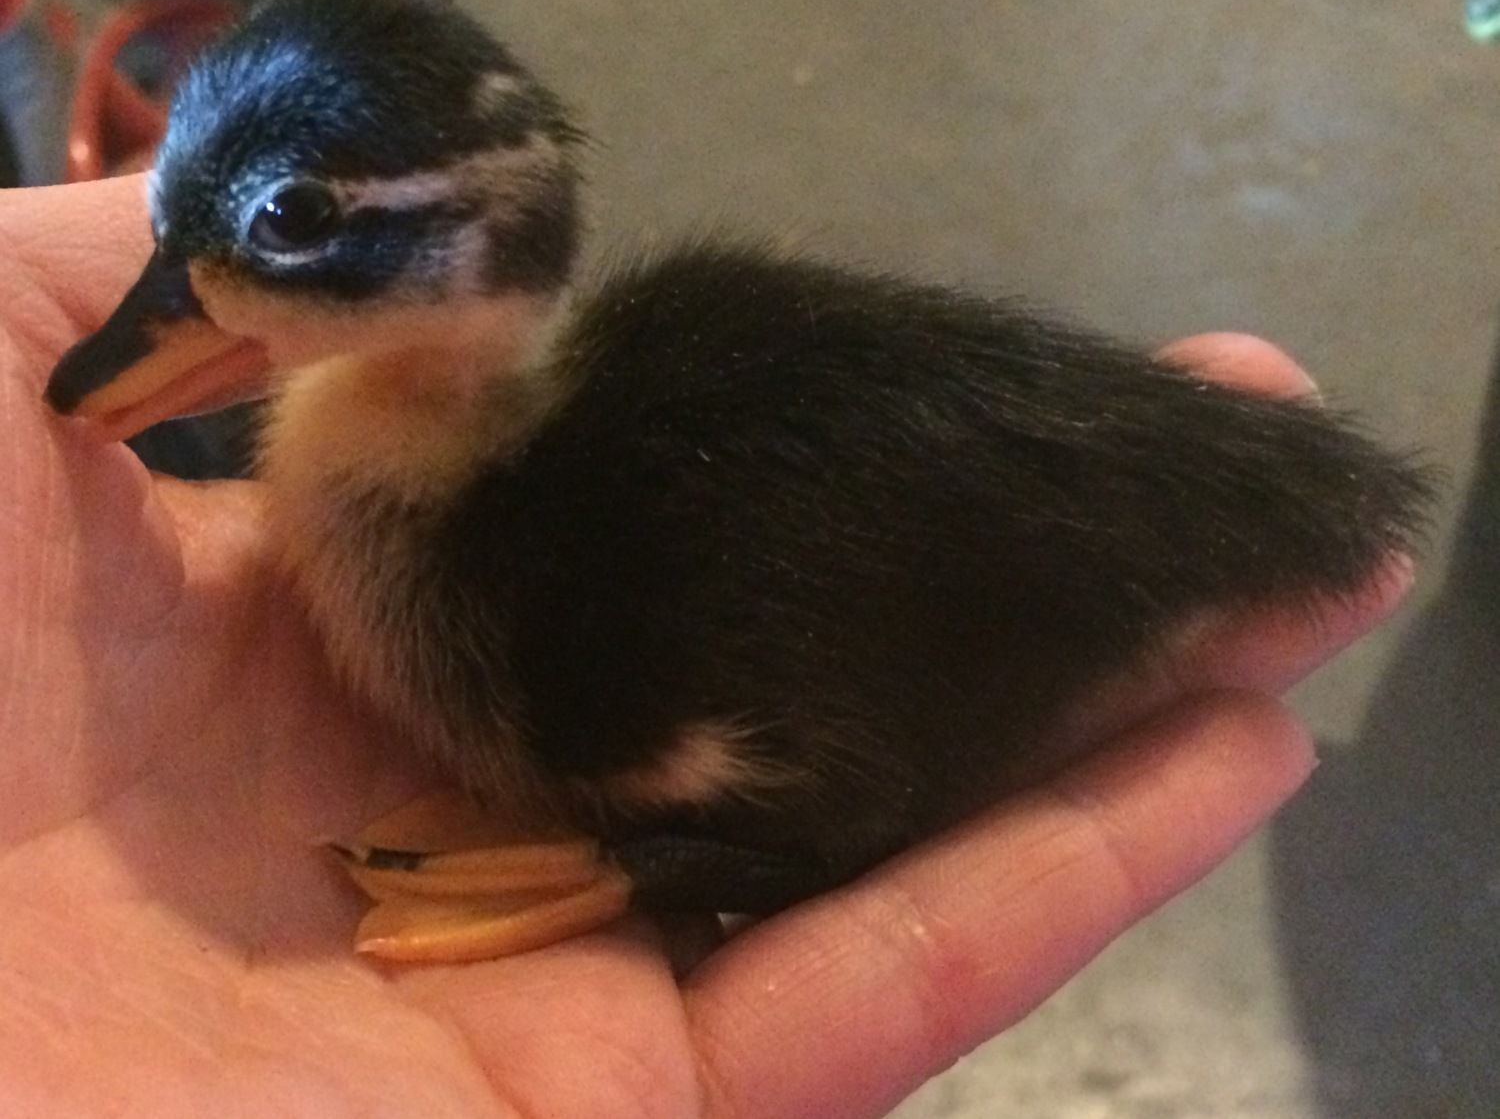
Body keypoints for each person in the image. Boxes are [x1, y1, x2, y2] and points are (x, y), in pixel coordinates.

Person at [0, 175, 1410, 1117]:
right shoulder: (594, 399)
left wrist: (648, 851)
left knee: (654, 716)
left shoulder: (587, 647)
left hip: (843, 623)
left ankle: (658, 854)